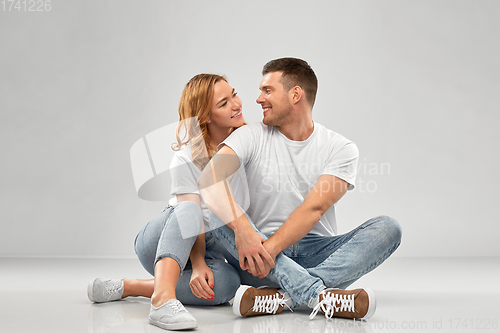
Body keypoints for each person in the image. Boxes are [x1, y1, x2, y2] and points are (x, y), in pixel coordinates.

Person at [198, 58, 402, 321]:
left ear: (296, 94)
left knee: (388, 228)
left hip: (309, 254)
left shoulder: (340, 148)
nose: (259, 99)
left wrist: (269, 251)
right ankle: (319, 295)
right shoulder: (249, 135)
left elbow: (313, 209)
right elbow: (208, 180)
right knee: (217, 213)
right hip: (255, 257)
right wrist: (243, 229)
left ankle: (282, 297)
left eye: (267, 90)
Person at [87, 74, 247, 330]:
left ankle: (131, 287)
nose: (237, 104)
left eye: (235, 94)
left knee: (228, 284)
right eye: (224, 103)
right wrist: (197, 264)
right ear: (205, 116)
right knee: (189, 209)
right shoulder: (186, 158)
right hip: (166, 237)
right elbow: (189, 216)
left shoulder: (245, 145)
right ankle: (162, 301)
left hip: (210, 245)